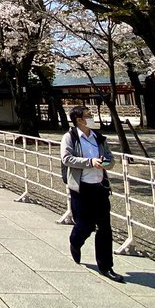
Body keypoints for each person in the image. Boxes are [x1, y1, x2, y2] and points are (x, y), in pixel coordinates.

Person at [61, 104, 125, 282]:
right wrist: (90, 162)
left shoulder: (99, 137)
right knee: (84, 225)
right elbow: (66, 159)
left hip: (100, 187)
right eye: (88, 115)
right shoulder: (70, 137)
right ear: (79, 120)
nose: (92, 117)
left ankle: (106, 266)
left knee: (105, 227)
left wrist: (106, 163)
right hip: (81, 188)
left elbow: (110, 159)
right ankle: (75, 241)